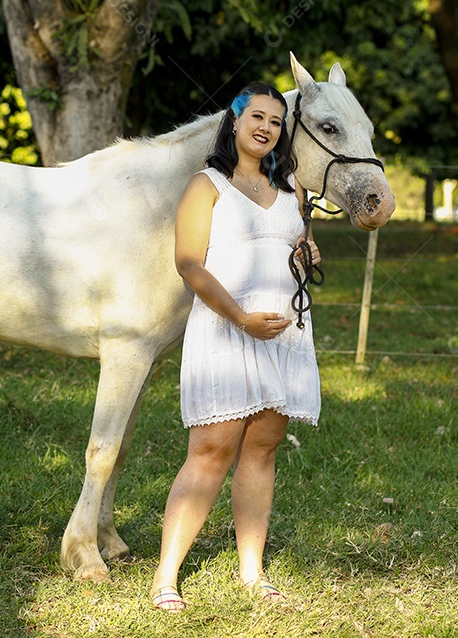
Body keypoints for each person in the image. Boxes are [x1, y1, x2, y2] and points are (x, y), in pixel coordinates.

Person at [149, 83, 321, 611]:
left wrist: (307, 254)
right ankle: (166, 580)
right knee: (211, 451)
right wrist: (241, 318)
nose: (267, 127)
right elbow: (189, 264)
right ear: (235, 122)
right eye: (257, 117)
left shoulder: (291, 189)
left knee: (263, 448)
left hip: (283, 331)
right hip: (229, 328)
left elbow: (292, 247)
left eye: (276, 120)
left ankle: (252, 572)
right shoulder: (207, 185)